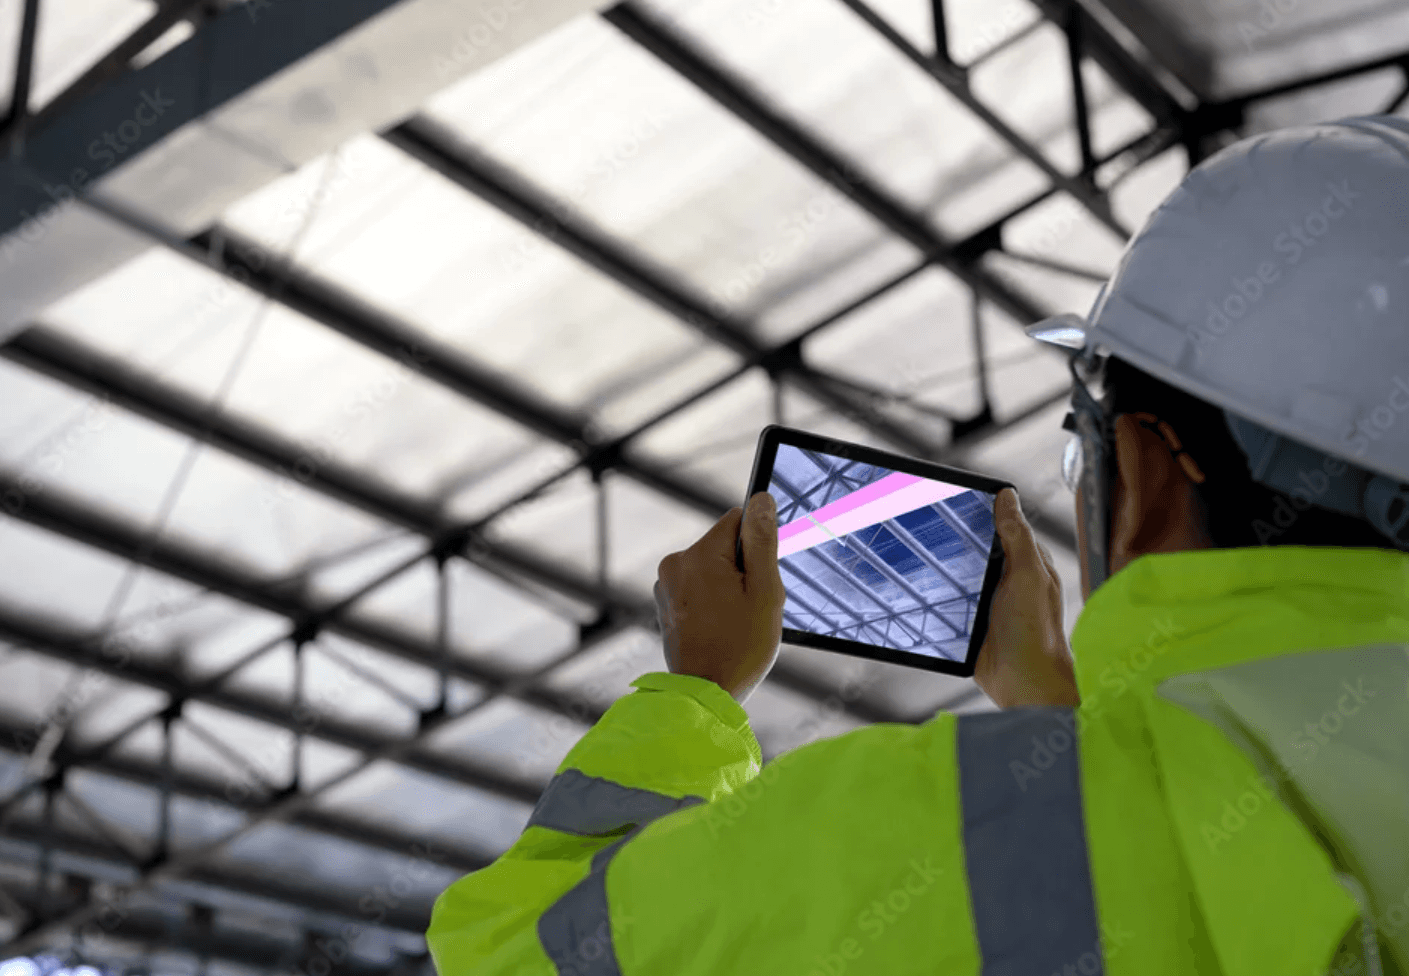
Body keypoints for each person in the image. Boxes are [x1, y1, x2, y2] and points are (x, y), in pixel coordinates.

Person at [427, 116, 1409, 975]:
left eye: (1085, 455)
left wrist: (695, 694)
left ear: (1144, 479)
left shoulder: (967, 829)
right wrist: (1055, 712)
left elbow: (517, 948)